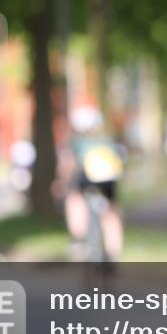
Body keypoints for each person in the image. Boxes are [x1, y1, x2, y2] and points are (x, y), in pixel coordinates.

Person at [55, 106, 125, 263]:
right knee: (111, 211)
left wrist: (62, 182)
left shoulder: (75, 141)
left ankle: (78, 239)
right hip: (109, 179)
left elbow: (67, 163)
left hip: (85, 177)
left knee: (75, 199)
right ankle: (115, 249)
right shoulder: (108, 138)